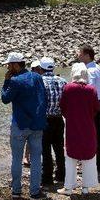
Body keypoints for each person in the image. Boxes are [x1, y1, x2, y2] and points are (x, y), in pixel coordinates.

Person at [1, 52, 47, 200]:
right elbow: (43, 98)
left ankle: (16, 191)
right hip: (37, 124)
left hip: (20, 125)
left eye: (9, 65)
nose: (8, 67)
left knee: (16, 158)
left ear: (15, 65)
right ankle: (34, 192)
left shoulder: (14, 80)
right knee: (36, 159)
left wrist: (6, 81)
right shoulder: (37, 77)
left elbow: (5, 99)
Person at [57, 63, 100, 196]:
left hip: (72, 126)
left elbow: (62, 106)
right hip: (88, 126)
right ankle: (86, 187)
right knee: (89, 156)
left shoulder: (68, 88)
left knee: (70, 156)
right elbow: (96, 108)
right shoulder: (91, 89)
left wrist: (69, 116)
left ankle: (69, 187)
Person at [36, 57, 67, 186]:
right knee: (59, 148)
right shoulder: (63, 81)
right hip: (59, 119)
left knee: (46, 150)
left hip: (45, 120)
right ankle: (61, 175)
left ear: (40, 68)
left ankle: (47, 178)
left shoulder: (39, 81)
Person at [77, 44, 100, 173]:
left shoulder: (90, 70)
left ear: (87, 56)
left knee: (90, 135)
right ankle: (97, 163)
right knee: (96, 134)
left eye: (80, 53)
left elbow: (91, 89)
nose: (78, 55)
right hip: (98, 103)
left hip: (92, 106)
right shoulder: (97, 67)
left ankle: (94, 164)